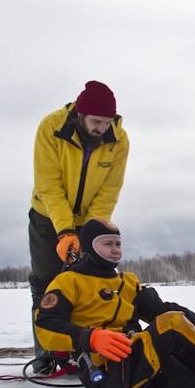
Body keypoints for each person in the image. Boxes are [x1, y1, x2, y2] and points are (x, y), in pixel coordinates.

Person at [34, 218, 195, 388]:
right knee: (171, 323)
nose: (115, 250)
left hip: (137, 359)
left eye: (118, 244)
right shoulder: (68, 281)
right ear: (88, 248)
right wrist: (91, 338)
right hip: (105, 371)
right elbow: (45, 326)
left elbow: (163, 310)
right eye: (107, 244)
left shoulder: (127, 283)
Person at [28, 81, 130, 372]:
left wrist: (91, 230)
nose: (102, 128)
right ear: (79, 114)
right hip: (47, 216)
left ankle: (80, 354)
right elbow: (48, 185)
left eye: (107, 122)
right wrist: (64, 231)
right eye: (96, 122)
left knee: (85, 285)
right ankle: (47, 358)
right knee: (47, 283)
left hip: (87, 221)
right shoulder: (51, 127)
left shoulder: (119, 140)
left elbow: (108, 191)